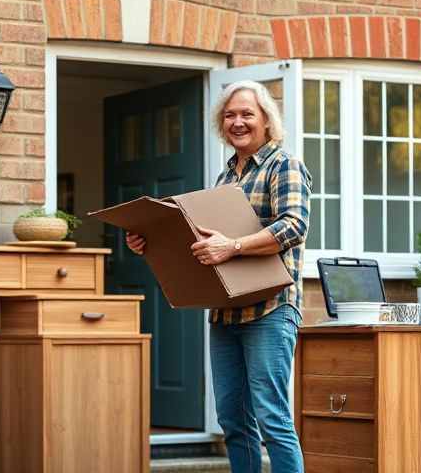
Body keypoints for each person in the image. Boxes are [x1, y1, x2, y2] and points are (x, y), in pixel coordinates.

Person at [126, 80, 310, 473]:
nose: (237, 122)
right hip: (226, 313)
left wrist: (235, 246)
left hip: (271, 310)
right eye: (230, 115)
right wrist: (152, 241)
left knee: (272, 417)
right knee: (232, 419)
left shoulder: (284, 164)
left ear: (266, 121)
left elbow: (294, 226)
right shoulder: (225, 178)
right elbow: (202, 246)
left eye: (247, 114)